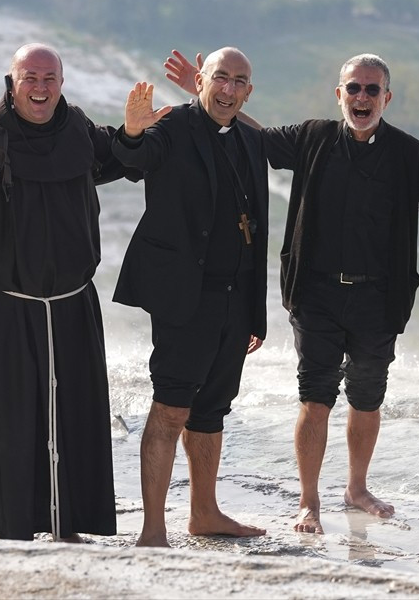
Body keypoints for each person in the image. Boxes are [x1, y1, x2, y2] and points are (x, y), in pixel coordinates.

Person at [164, 51, 419, 534]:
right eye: (353, 88)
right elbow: (255, 137)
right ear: (339, 95)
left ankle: (357, 488)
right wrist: (207, 93)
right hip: (316, 295)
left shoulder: (408, 153)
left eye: (372, 90)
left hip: (380, 299)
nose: (361, 97)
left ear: (386, 98)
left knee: (368, 399)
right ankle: (309, 501)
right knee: (315, 398)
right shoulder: (313, 137)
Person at [0, 43, 127, 542]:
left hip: (72, 303)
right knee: (10, 421)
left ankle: (71, 524)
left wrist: (135, 130)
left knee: (75, 419)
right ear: (12, 80)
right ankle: (7, 526)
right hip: (4, 305)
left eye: (49, 78)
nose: (40, 88)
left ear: (62, 82)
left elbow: (125, 156)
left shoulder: (81, 130)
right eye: (30, 77)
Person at [113, 47, 269, 548]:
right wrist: (134, 129)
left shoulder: (249, 137)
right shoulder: (172, 126)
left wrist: (255, 313)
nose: (227, 89)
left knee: (212, 411)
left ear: (249, 91)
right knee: (171, 408)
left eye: (238, 81)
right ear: (200, 80)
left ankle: (204, 513)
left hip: (235, 298)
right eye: (219, 78)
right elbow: (135, 162)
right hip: (185, 297)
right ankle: (153, 529)